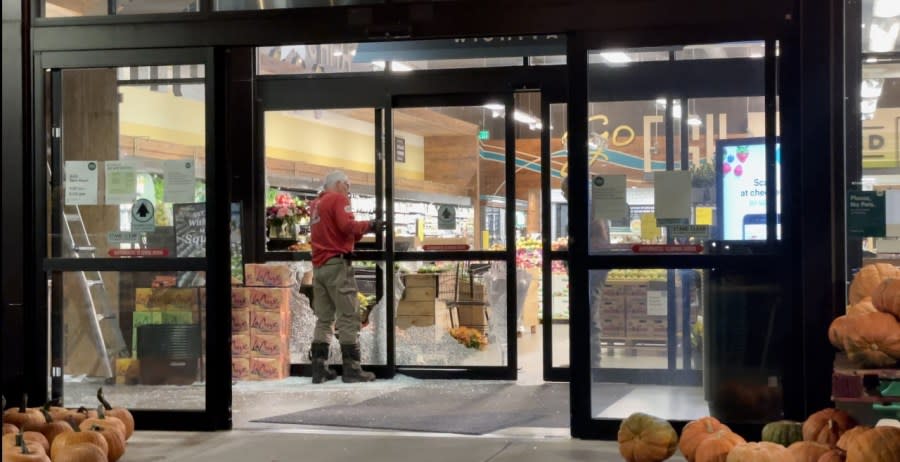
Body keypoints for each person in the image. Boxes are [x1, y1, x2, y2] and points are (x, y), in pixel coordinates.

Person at [307, 171, 381, 383]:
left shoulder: (316, 205)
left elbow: (340, 231)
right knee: (349, 315)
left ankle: (319, 369)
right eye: (347, 185)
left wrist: (359, 230)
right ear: (338, 184)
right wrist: (370, 225)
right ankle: (352, 369)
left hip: (319, 267)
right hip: (338, 265)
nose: (348, 189)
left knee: (324, 318)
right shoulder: (339, 199)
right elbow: (347, 226)